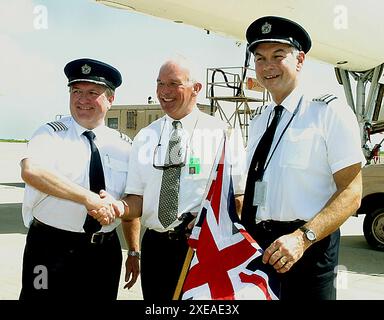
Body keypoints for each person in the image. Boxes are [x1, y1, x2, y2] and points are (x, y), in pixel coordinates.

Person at [95, 57, 246, 300]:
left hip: (200, 248)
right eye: (160, 83)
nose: (164, 92)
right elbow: (137, 199)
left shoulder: (222, 135)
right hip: (156, 248)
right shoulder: (146, 137)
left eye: (173, 84)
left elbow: (238, 198)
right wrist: (119, 207)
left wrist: (211, 220)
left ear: (196, 88)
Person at [241, 16, 365, 300]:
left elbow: (352, 191)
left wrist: (302, 238)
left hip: (309, 247)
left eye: (278, 56)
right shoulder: (260, 119)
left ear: (300, 60)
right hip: (263, 249)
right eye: (259, 58)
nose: (267, 66)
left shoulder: (328, 111)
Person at [19, 58, 140, 300]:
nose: (82, 99)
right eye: (76, 91)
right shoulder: (51, 134)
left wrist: (134, 251)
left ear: (110, 99)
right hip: (50, 249)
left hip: (103, 253)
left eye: (92, 92)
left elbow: (132, 199)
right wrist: (90, 199)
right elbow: (31, 171)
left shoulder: (125, 147)